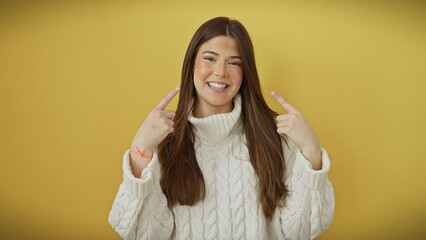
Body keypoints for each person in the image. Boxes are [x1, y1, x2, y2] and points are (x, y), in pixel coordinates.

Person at [108, 16, 334, 240]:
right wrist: (140, 150)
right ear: (191, 65)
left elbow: (299, 232)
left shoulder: (275, 138)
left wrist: (312, 153)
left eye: (234, 62)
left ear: (245, 73)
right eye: (210, 58)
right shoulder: (161, 140)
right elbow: (142, 234)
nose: (220, 72)